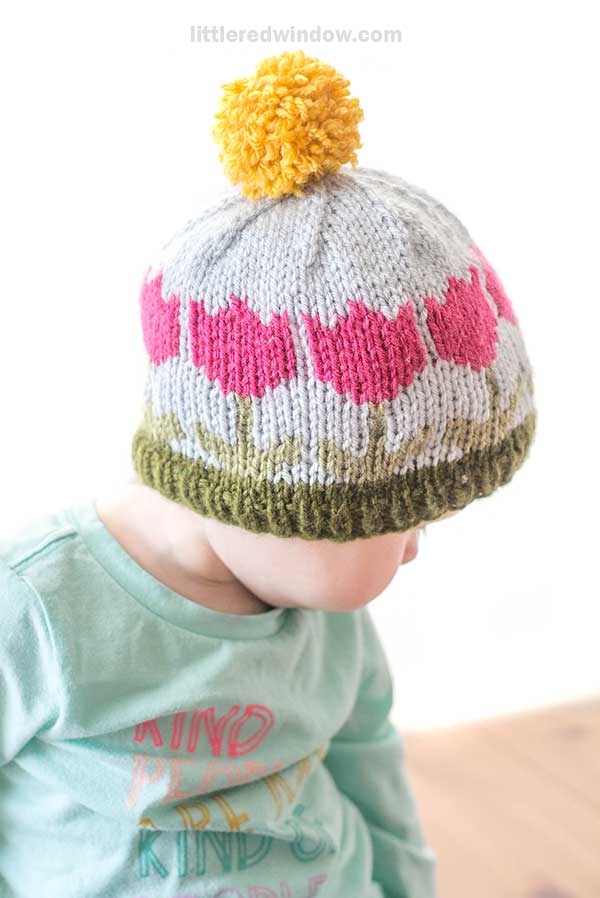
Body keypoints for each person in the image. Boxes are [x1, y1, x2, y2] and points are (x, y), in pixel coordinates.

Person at [0, 50, 536, 898]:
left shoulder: (330, 625)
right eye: (401, 518)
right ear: (285, 492)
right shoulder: (39, 610)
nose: (412, 550)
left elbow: (371, 768)